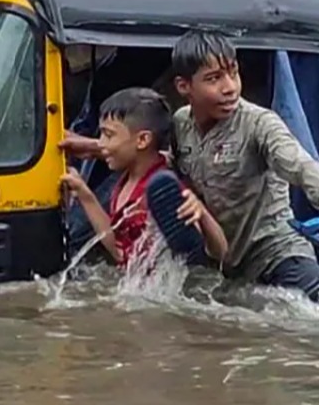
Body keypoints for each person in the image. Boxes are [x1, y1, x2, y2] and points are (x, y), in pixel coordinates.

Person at [61, 32, 319, 303]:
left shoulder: (259, 124)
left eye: (233, 73)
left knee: (316, 313)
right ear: (184, 86)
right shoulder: (181, 123)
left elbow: (299, 163)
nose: (229, 88)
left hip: (277, 255)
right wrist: (92, 147)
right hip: (224, 267)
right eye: (214, 78)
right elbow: (151, 155)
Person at [61, 87, 228, 269]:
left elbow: (219, 251)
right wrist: (84, 193)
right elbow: (119, 252)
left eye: (108, 135)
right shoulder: (125, 182)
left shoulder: (164, 191)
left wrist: (201, 213)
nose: (100, 143)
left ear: (142, 140)